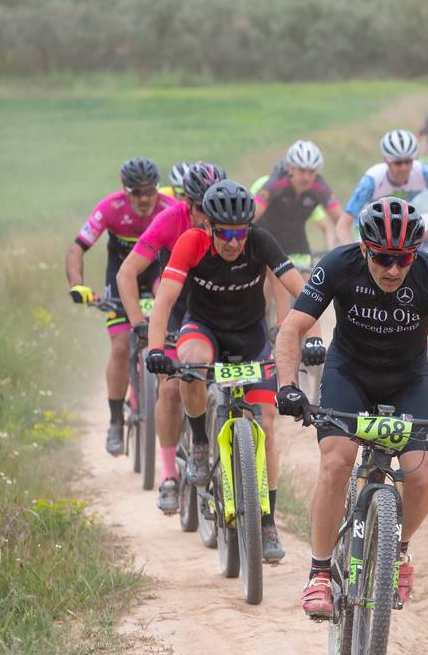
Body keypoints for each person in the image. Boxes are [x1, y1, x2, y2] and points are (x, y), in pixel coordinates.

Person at [272, 197, 428, 618]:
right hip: (349, 374)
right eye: (383, 258)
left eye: (403, 259)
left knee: (422, 474)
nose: (393, 270)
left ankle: (398, 550)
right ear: (363, 249)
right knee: (336, 462)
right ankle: (319, 574)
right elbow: (292, 329)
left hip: (407, 379)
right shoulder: (337, 265)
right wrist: (287, 387)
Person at [144, 180, 311, 563]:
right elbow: (165, 301)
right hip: (204, 328)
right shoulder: (190, 243)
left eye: (240, 233)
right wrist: (156, 349)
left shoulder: (261, 241)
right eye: (225, 234)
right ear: (209, 229)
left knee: (266, 424)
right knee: (190, 365)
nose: (234, 242)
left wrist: (312, 336)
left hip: (250, 336)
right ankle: (201, 442)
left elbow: (303, 293)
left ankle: (266, 521)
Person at [118, 161, 225, 512]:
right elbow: (127, 272)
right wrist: (138, 323)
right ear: (186, 202)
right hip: (178, 309)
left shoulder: (231, 222)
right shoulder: (169, 221)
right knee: (169, 387)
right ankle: (168, 476)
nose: (206, 216)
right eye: (199, 206)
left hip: (218, 311)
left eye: (213, 206)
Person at [66, 157, 178, 457]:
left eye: (149, 191)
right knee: (118, 346)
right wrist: (77, 284)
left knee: (168, 339)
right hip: (119, 278)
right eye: (136, 192)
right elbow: (78, 247)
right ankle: (115, 420)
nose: (143, 199)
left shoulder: (169, 207)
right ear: (124, 190)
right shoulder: (110, 208)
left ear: (157, 188)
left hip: (155, 275)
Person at [336, 130, 428, 249]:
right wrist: (354, 253)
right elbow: (342, 225)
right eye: (398, 162)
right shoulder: (372, 181)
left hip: (397, 220)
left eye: (408, 161)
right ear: (386, 161)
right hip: (368, 224)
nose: (404, 167)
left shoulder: (423, 173)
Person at [253, 139, 342, 267]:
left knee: (306, 282)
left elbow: (341, 221)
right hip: (268, 239)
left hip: (296, 242)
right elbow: (252, 216)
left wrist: (341, 253)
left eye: (311, 172)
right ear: (291, 169)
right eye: (302, 170)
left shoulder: (320, 187)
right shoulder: (276, 183)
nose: (306, 177)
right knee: (277, 282)